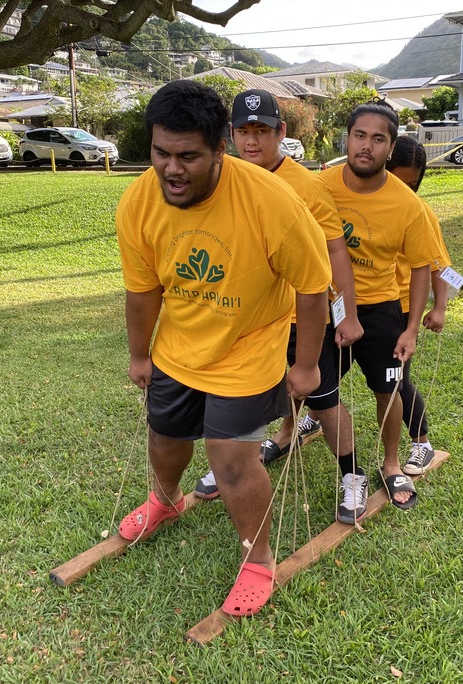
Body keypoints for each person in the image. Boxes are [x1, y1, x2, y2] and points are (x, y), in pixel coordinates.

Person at [115, 80, 332, 617]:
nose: (172, 169)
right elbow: (143, 290)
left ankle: (257, 559)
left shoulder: (271, 201)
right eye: (161, 153)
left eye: (188, 156)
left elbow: (312, 285)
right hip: (179, 347)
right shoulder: (139, 202)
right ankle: (165, 501)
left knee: (230, 459)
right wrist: (140, 354)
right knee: (165, 437)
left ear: (220, 149)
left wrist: (305, 365)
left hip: (248, 345)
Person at [193, 89, 366, 512]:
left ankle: (352, 475)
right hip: (245, 318)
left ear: (281, 132)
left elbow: (335, 250)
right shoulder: (221, 177)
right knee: (239, 397)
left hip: (299, 317)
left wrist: (348, 314)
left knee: (323, 401)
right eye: (244, 131)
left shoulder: (305, 186)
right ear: (230, 134)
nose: (253, 141)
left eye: (263, 131)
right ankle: (235, 462)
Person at [319, 102, 441, 521]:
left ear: (391, 148)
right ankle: (348, 471)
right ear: (346, 139)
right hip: (329, 309)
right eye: (359, 136)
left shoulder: (408, 205)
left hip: (382, 310)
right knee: (317, 393)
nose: (366, 146)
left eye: (378, 139)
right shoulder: (321, 186)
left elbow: (422, 269)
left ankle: (390, 465)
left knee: (389, 394)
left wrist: (411, 330)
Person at [386, 135, 455, 475]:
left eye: (412, 183)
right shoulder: (362, 199)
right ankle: (314, 419)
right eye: (398, 179)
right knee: (328, 372)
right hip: (355, 304)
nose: (404, 189)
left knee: (396, 380)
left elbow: (438, 264)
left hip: (397, 307)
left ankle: (422, 443)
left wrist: (439, 307)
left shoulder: (419, 212)